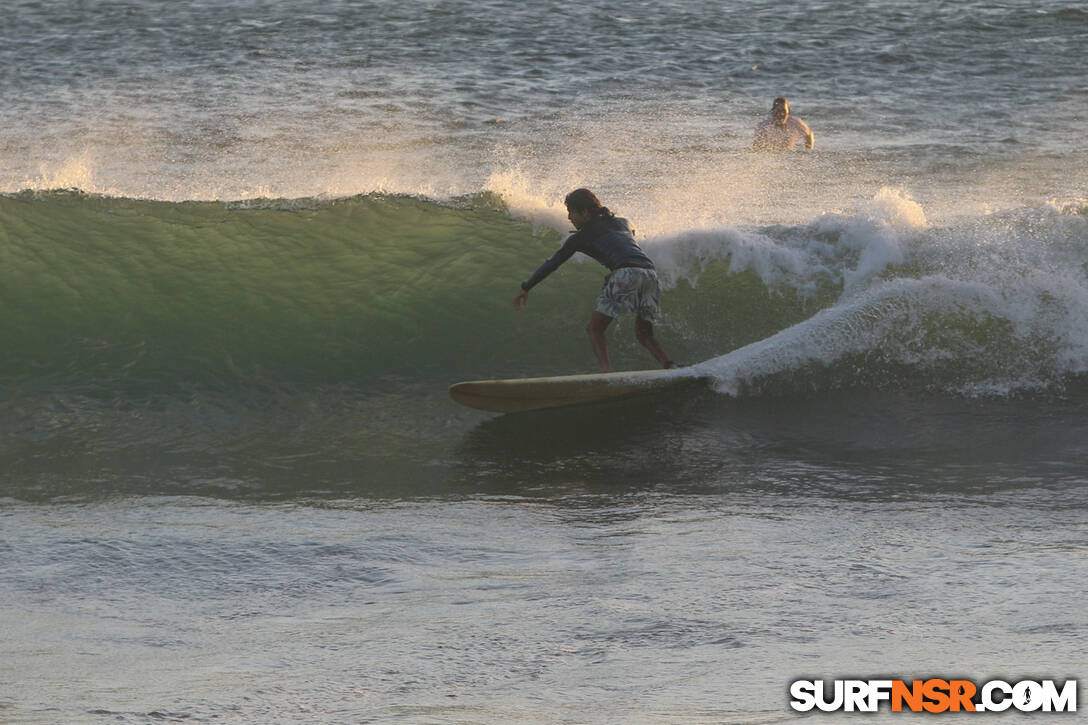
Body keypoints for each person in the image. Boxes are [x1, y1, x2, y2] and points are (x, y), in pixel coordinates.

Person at [513, 188, 677, 372]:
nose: (569, 218)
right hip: (649, 273)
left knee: (595, 329)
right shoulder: (622, 222)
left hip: (625, 273)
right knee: (644, 334)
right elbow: (628, 235)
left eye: (572, 212)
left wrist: (526, 286)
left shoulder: (581, 237)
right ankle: (669, 365)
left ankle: (607, 373)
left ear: (585, 212)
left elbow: (554, 262)